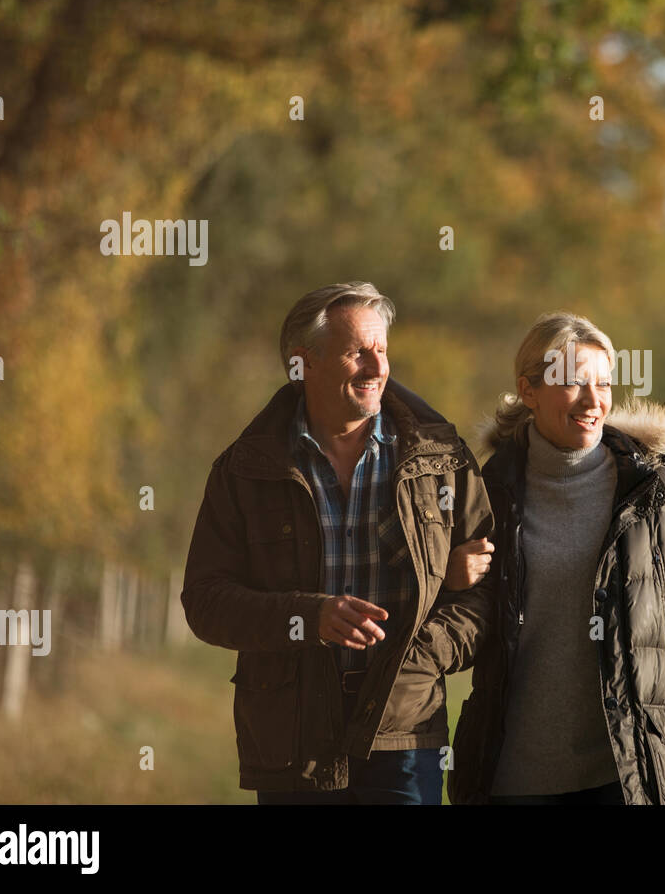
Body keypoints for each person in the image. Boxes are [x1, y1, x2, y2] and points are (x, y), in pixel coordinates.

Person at [181, 282, 495, 803]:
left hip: (405, 737)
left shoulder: (443, 461)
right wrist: (308, 616)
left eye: (382, 350)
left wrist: (422, 654)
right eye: (357, 353)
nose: (377, 368)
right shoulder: (245, 469)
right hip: (290, 739)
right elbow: (205, 602)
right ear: (302, 364)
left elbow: (486, 592)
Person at [450, 312, 665, 804]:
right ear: (528, 390)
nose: (593, 400)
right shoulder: (485, 496)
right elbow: (456, 625)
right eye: (575, 382)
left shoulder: (661, 499)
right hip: (514, 781)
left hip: (634, 779)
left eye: (603, 383)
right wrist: (448, 579)